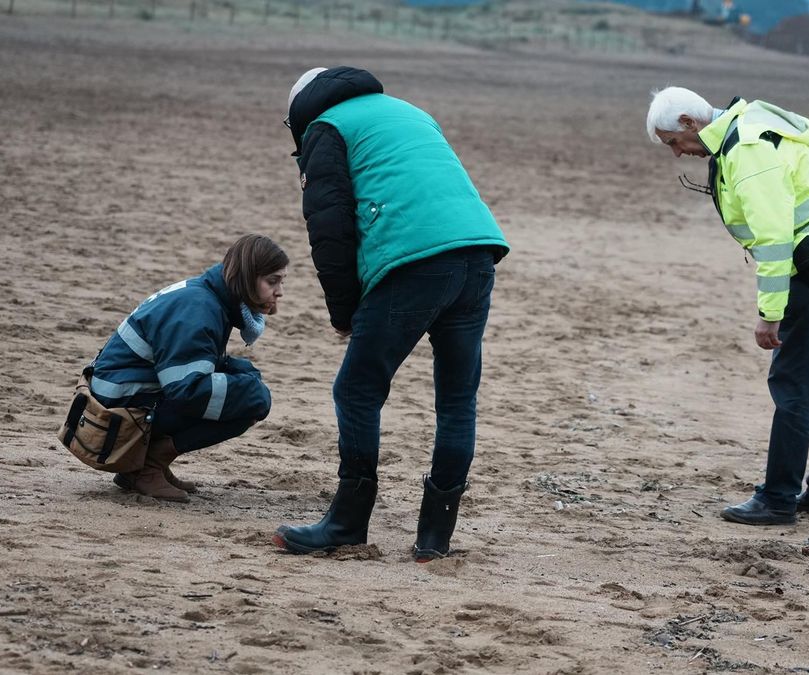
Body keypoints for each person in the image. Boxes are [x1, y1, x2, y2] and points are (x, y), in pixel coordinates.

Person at [274, 66, 510, 561]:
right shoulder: (410, 112)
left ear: (299, 112)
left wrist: (344, 312)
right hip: (478, 252)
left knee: (357, 389)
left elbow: (331, 228)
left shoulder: (326, 128)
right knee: (456, 398)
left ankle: (346, 523)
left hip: (416, 262)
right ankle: (434, 538)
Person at [645, 87, 809, 526]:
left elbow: (774, 236)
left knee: (792, 381)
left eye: (673, 142)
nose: (676, 153)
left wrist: (770, 314)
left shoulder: (746, 147)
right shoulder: (742, 134)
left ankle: (778, 497)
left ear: (690, 122)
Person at [86, 234, 287, 502]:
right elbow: (185, 390)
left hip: (119, 397)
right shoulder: (199, 307)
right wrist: (251, 391)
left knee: (246, 383)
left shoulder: (207, 294)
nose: (280, 291)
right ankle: (147, 467)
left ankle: (144, 463)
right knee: (253, 399)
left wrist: (245, 375)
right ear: (247, 277)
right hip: (114, 415)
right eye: (272, 281)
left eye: (281, 281)